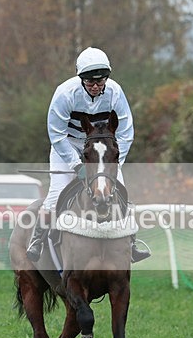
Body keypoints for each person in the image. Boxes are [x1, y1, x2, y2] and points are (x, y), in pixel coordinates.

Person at [26, 46, 150, 263]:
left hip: (102, 150)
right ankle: (37, 240)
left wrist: (114, 164)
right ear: (80, 79)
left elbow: (126, 132)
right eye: (90, 82)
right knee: (55, 195)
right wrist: (76, 165)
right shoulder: (65, 94)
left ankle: (132, 243)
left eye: (100, 81)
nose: (95, 86)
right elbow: (56, 135)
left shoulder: (115, 93)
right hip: (68, 146)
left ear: (106, 79)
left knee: (122, 194)